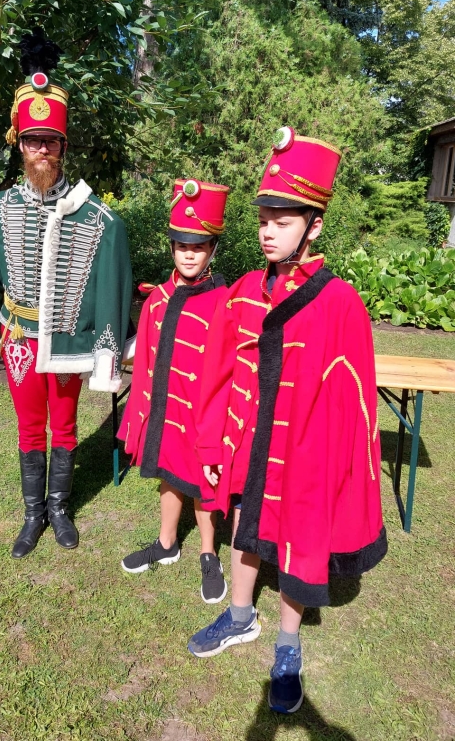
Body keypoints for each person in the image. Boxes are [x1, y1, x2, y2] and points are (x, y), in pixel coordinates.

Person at [187, 127, 387, 714]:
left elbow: (354, 400)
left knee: (298, 538)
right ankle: (240, 615)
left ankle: (288, 644)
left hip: (304, 452)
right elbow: (217, 373)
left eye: (282, 220)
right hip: (247, 440)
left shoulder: (339, 301)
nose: (268, 231)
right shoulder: (244, 291)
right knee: (244, 522)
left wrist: (336, 468)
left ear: (313, 226)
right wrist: (212, 442)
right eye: (263, 220)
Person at [0, 29, 133, 557]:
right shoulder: (0, 207)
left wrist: (109, 347)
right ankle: (32, 514)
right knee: (28, 429)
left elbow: (110, 279)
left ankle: (60, 509)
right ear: (18, 144)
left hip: (65, 342)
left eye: (51, 141)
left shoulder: (93, 214)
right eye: (32, 140)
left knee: (63, 427)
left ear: (64, 147)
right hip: (19, 339)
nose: (41, 149)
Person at [119, 178, 231, 604]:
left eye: (198, 246)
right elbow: (145, 367)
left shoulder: (224, 301)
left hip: (203, 416)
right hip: (164, 411)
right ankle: (167, 543)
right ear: (171, 247)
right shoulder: (158, 298)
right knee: (168, 474)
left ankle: (208, 553)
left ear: (212, 249)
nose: (188, 253)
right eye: (182, 245)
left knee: (202, 483)